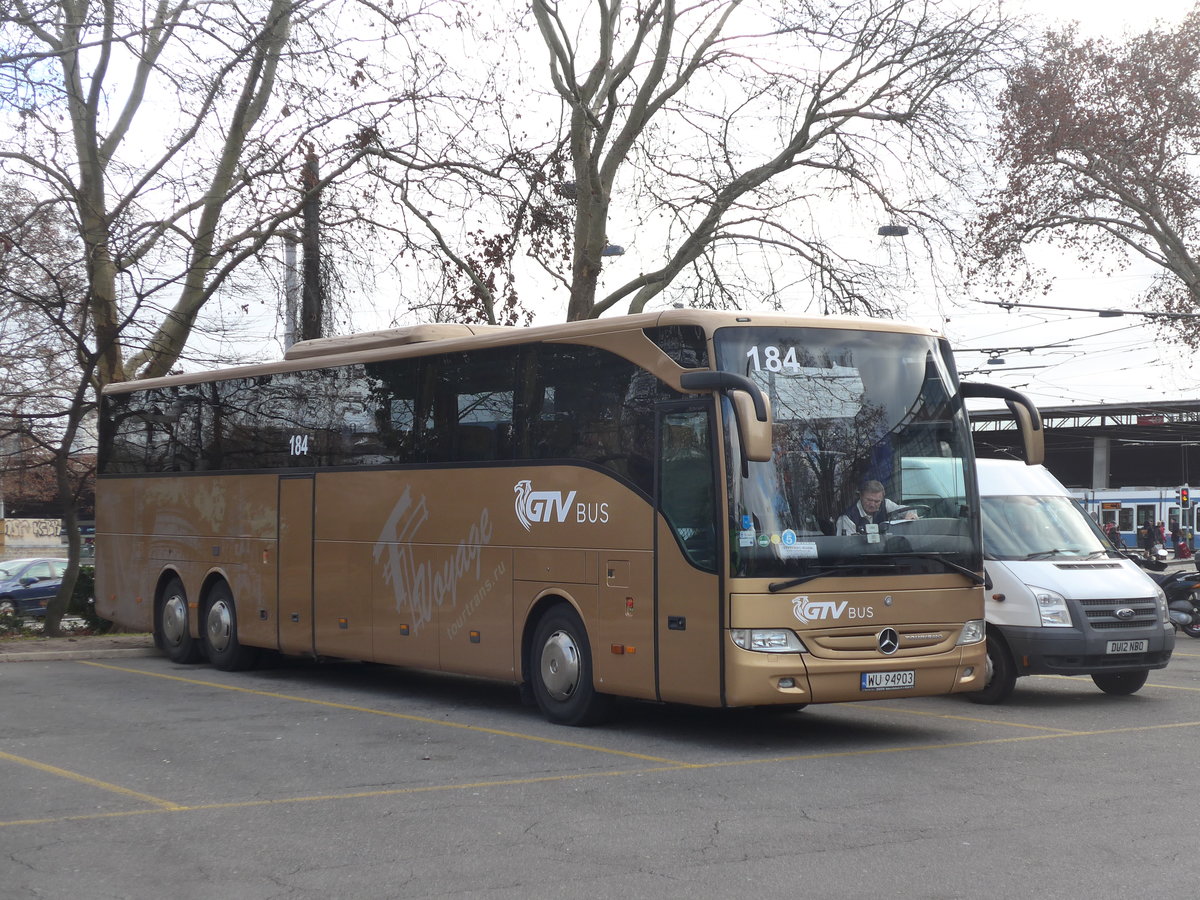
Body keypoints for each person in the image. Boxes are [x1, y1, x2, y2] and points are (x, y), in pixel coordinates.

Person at [836, 480, 915, 535]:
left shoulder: (886, 504)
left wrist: (910, 514)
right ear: (860, 496)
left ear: (882, 499)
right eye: (869, 500)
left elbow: (908, 510)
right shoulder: (847, 518)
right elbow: (846, 548)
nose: (872, 504)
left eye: (877, 501)